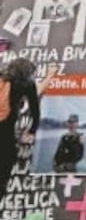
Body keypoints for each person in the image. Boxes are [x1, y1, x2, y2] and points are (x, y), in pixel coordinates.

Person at [0, 58, 41, 203]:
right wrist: (31, 131)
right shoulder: (26, 84)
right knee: (4, 170)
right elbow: (35, 111)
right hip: (5, 132)